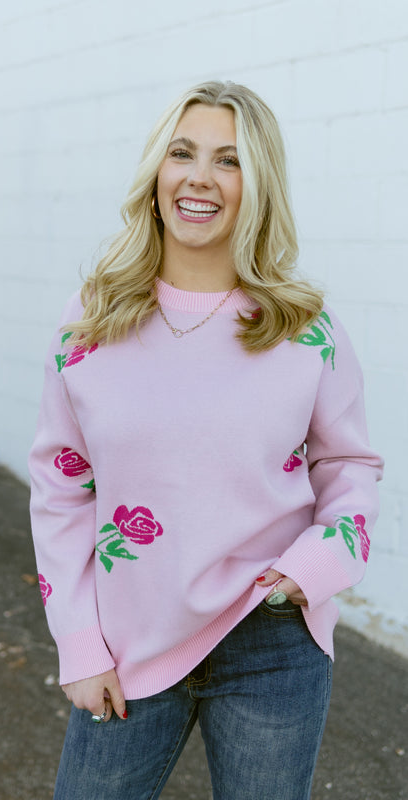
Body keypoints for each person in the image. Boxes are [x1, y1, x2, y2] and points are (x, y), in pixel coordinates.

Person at [28, 80, 383, 800]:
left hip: (270, 639)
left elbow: (349, 465)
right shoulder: (91, 318)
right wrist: (78, 643)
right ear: (155, 171)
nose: (198, 177)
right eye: (181, 152)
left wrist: (310, 568)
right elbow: (60, 486)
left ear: (257, 184)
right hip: (128, 638)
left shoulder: (303, 326)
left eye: (228, 160)